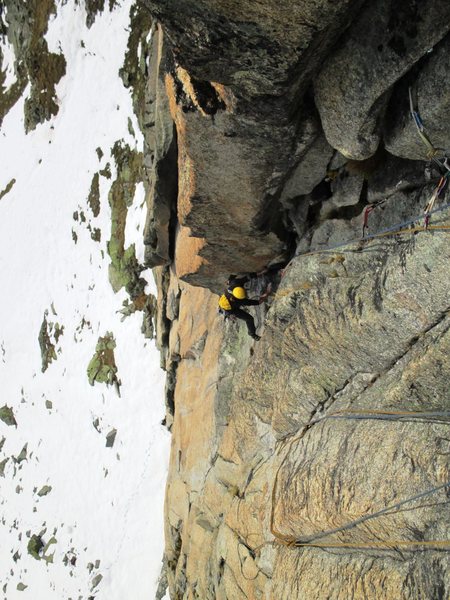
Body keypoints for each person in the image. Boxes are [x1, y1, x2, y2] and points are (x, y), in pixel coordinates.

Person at [218, 274, 268, 340]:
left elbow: (246, 278)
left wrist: (260, 273)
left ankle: (229, 281)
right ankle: (252, 334)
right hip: (231, 310)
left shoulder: (235, 284)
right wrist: (263, 297)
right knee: (249, 319)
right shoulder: (239, 301)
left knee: (231, 281)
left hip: (224, 300)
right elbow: (254, 302)